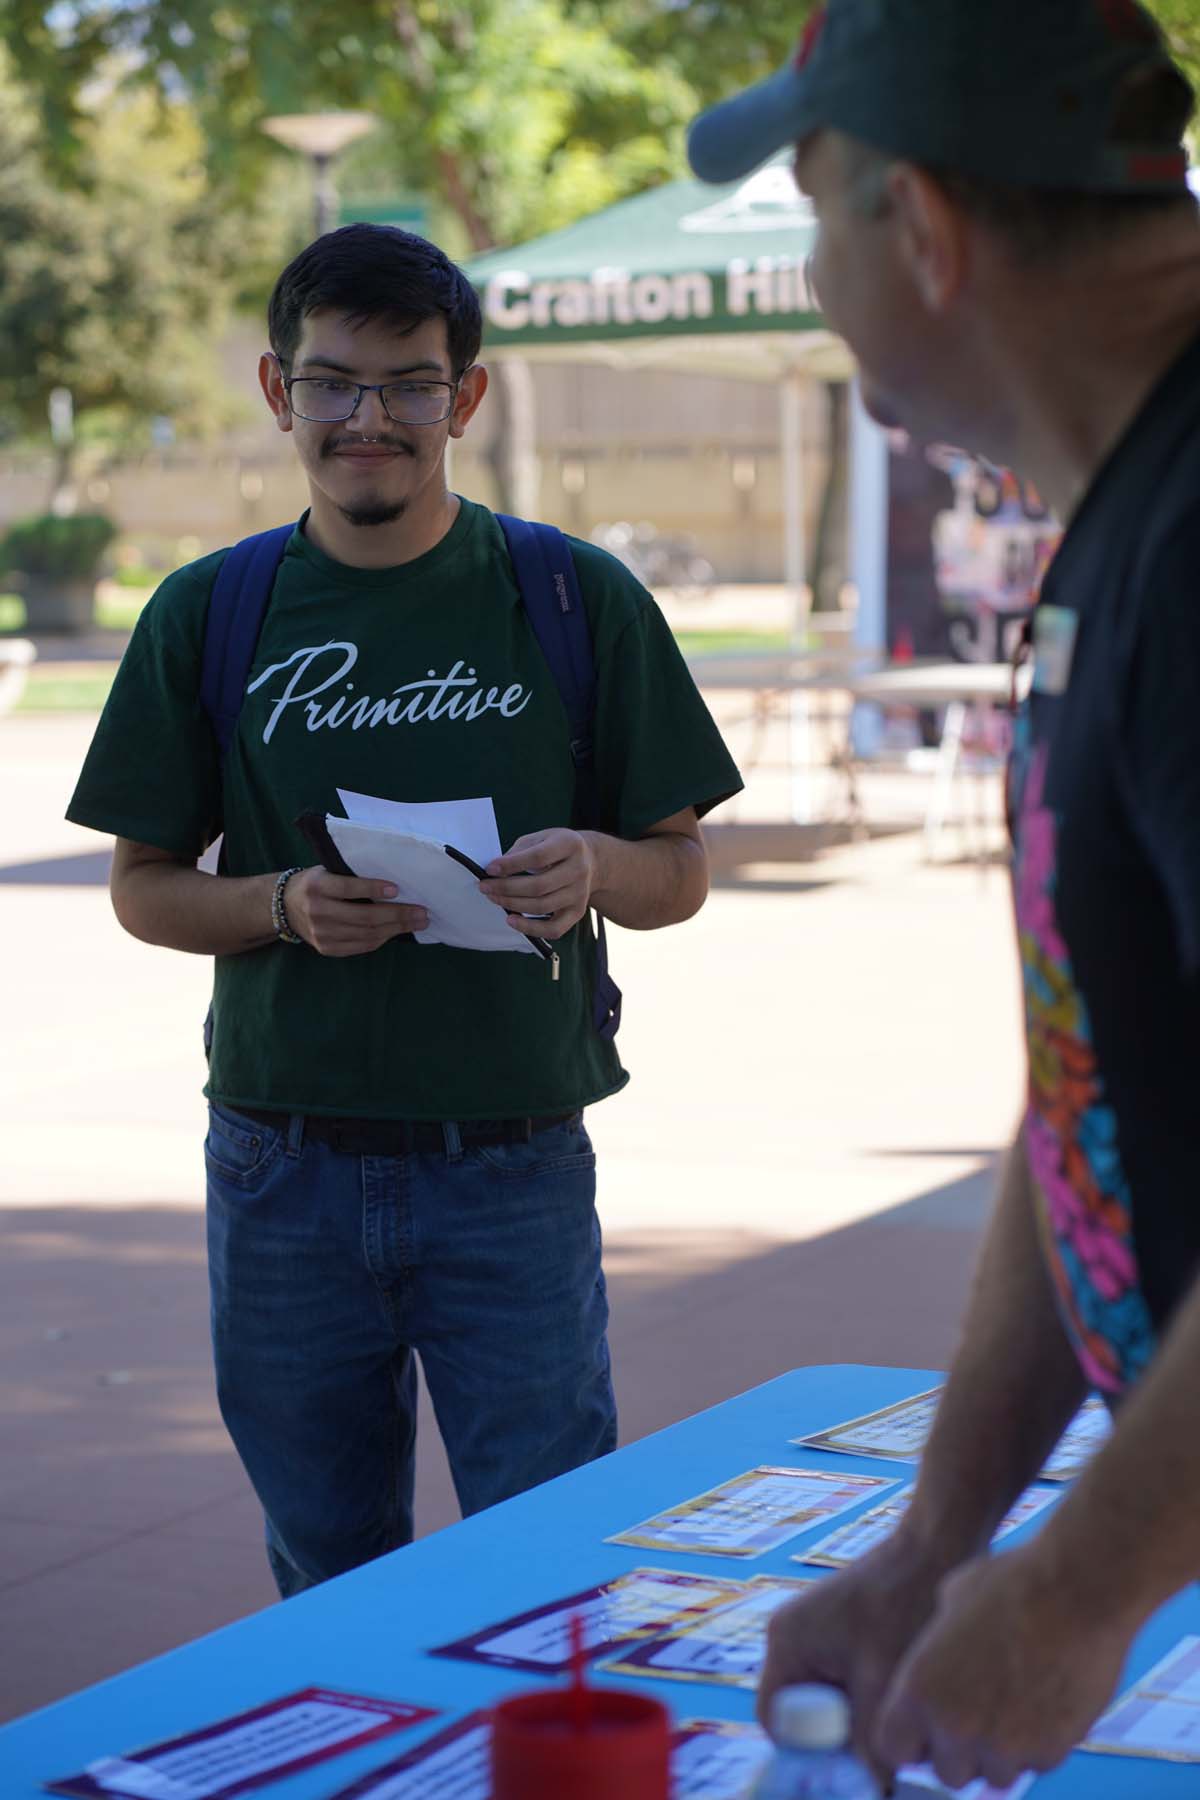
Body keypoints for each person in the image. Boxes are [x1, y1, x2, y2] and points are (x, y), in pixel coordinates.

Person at [67, 224, 742, 1597]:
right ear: (277, 391)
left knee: (549, 1571)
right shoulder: (209, 612)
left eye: (409, 386)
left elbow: (678, 874)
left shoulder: (572, 597)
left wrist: (598, 869)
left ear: (466, 399)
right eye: (332, 384)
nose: (367, 419)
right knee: (324, 1572)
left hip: (512, 1163)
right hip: (282, 1166)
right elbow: (141, 890)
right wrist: (281, 903)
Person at [689, 0, 1200, 1789]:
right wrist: (938, 1544)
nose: (816, 281)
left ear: (922, 228)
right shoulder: (1133, 516)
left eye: (815, 216)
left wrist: (1071, 1591)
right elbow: (1093, 1093)